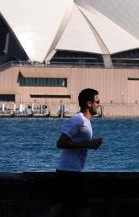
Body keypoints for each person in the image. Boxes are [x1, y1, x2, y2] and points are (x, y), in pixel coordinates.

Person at [46, 88, 103, 216]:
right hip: (70, 175)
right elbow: (60, 143)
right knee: (85, 213)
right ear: (89, 104)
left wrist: (90, 144)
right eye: (97, 101)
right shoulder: (78, 120)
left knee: (55, 211)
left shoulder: (85, 121)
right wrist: (89, 144)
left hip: (67, 173)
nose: (99, 104)